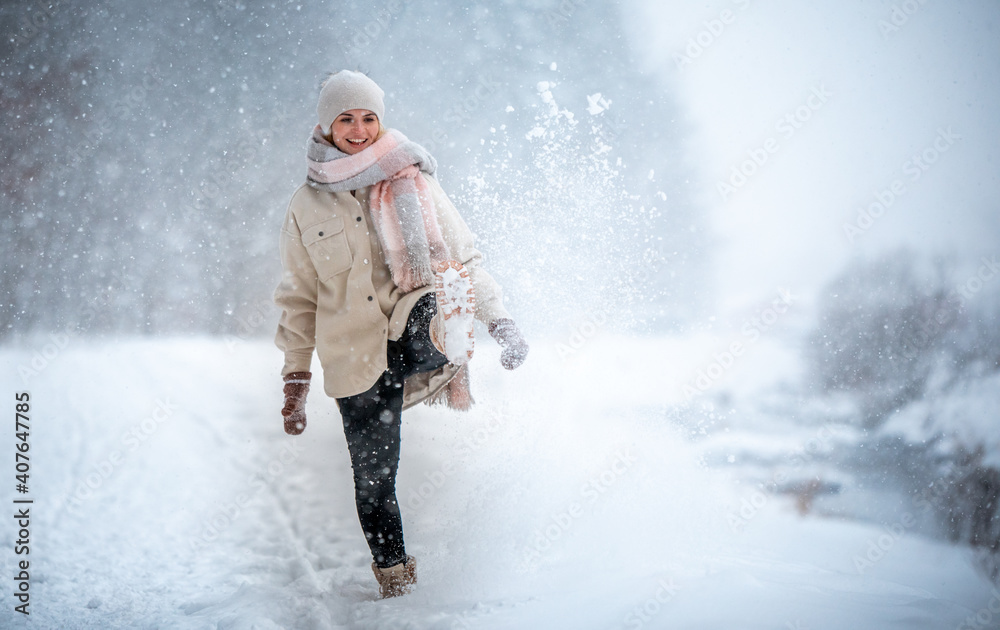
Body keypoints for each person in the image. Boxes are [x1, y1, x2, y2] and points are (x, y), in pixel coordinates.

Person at [273, 70, 529, 599]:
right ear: (326, 124)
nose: (359, 128)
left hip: (416, 331)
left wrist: (500, 321)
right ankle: (395, 579)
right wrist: (295, 381)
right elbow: (298, 298)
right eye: (346, 118)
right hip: (353, 358)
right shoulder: (306, 204)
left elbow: (465, 258)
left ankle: (448, 348)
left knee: (438, 291)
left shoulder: (414, 179)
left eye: (369, 117)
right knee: (373, 479)